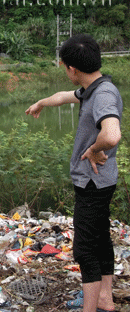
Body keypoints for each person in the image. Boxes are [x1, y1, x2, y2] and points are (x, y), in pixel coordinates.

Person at [26, 34, 122, 312]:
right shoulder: (96, 87)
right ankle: (105, 298)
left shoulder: (102, 95)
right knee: (100, 239)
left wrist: (94, 149)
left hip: (93, 182)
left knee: (85, 249)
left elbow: (112, 134)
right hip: (103, 180)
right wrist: (42, 102)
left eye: (64, 66)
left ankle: (90, 308)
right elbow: (64, 96)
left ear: (72, 69)